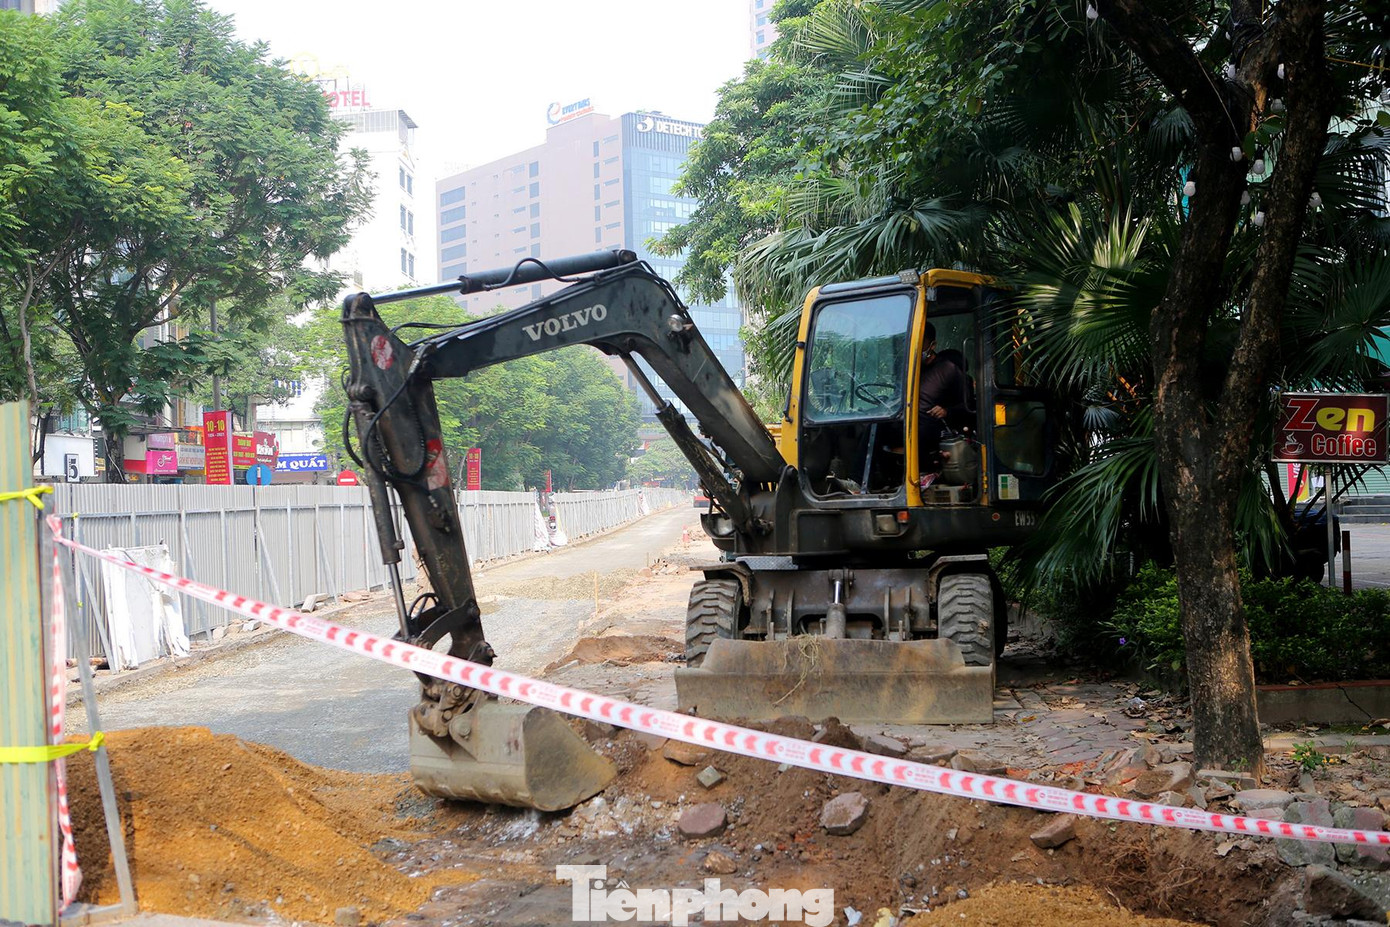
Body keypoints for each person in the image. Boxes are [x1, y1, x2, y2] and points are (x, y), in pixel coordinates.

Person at [918, 322, 969, 473]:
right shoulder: (910, 372)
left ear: (932, 345)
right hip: (908, 423)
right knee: (873, 425)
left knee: (921, 427)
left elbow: (969, 406)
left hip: (936, 427)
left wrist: (947, 411)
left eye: (920, 343)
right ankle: (857, 482)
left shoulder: (948, 369)